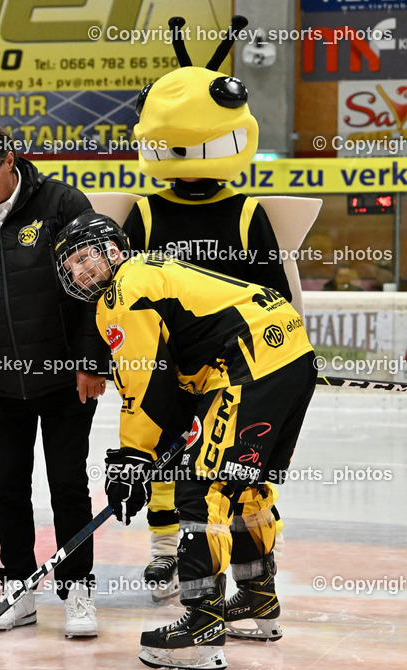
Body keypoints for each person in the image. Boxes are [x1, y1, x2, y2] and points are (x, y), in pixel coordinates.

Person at [55, 212, 316, 670]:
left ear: (112, 251)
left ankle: (201, 626)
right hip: (286, 353)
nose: (77, 273)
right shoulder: (145, 272)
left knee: (202, 485)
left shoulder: (124, 293)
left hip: (247, 364)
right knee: (243, 485)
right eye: (70, 266)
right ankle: (257, 598)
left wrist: (132, 459)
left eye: (83, 259)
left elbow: (142, 386)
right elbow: (174, 372)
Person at [123, 15, 294, 602]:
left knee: (232, 474)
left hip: (236, 371)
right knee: (163, 462)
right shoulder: (146, 213)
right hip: (167, 365)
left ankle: (245, 579)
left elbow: (278, 299)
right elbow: (125, 297)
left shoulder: (247, 213)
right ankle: (164, 554)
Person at [0, 123, 108, 637]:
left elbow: (97, 287)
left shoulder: (62, 204)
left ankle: (77, 588)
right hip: (1, 384)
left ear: (10, 161)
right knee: (8, 490)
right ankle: (17, 588)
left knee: (69, 487)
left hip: (64, 378)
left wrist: (92, 361)